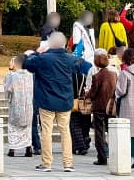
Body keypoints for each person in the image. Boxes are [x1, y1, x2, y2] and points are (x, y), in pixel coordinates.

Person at [24, 32, 92, 172]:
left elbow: (27, 63)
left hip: (46, 101)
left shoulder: (43, 58)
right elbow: (87, 66)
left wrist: (37, 53)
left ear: (50, 43)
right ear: (64, 44)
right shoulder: (70, 59)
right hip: (65, 101)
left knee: (46, 132)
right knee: (65, 131)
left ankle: (46, 163)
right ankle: (68, 163)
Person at [87, 51, 117, 165]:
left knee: (99, 132)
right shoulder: (113, 74)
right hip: (111, 106)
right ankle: (114, 153)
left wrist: (86, 95)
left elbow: (93, 93)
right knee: (112, 130)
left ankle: (102, 157)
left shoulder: (97, 76)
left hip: (99, 106)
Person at [4, 54, 33, 158]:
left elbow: (7, 91)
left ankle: (12, 149)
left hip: (16, 105)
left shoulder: (11, 76)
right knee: (27, 128)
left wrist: (8, 98)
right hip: (28, 105)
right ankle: (28, 148)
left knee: (13, 127)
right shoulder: (30, 75)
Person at [69, 66, 92, 155]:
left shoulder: (69, 77)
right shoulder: (83, 76)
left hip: (73, 102)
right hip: (83, 103)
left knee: (74, 125)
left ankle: (79, 146)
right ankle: (84, 141)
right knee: (84, 124)